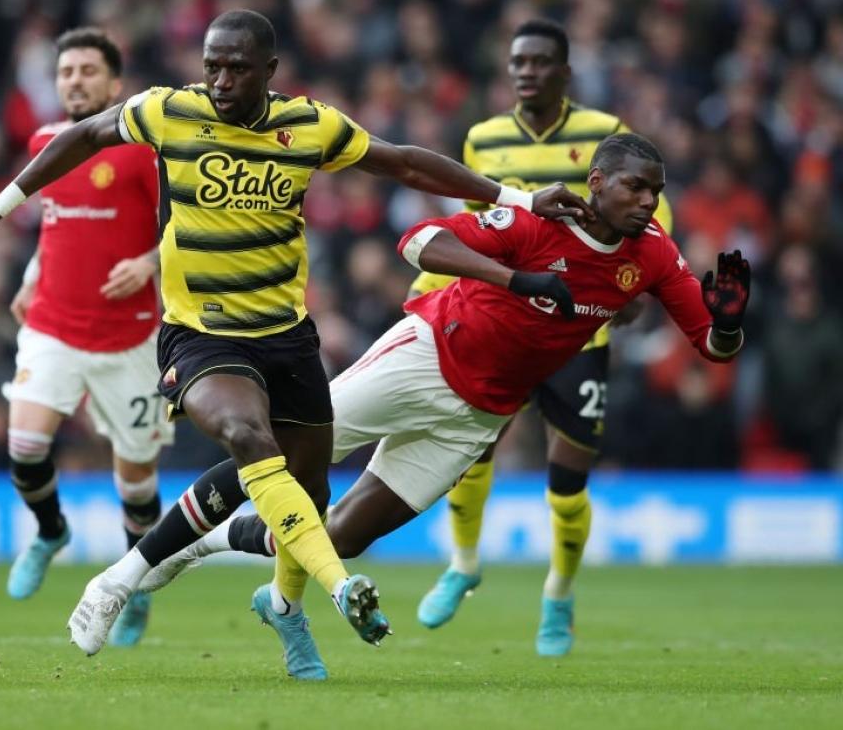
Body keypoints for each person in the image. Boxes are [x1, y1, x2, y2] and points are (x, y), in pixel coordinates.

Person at [0, 10, 588, 679]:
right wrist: (2, 205)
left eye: (236, 67)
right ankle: (334, 591)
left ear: (269, 71)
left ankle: (155, 585)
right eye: (211, 64)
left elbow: (405, 164)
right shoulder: (169, 112)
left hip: (286, 336)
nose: (218, 79)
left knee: (308, 495)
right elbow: (89, 134)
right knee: (247, 436)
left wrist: (521, 200)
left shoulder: (309, 125)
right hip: (199, 333)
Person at [138, 134, 750, 669]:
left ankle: (214, 544)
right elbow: (416, 240)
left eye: (656, 191)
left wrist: (727, 323)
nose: (648, 202)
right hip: (423, 356)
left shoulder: (653, 254)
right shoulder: (537, 221)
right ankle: (163, 552)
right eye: (636, 188)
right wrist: (513, 277)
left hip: (479, 414)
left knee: (345, 537)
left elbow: (713, 346)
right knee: (283, 454)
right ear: (597, 183)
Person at [406, 19, 676, 656]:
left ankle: (559, 593)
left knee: (568, 476)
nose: (525, 71)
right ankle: (464, 564)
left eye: (538, 61)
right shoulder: (484, 138)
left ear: (564, 71)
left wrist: (634, 289)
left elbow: (650, 219)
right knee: (472, 453)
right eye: (516, 62)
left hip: (580, 331)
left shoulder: (605, 134)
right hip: (506, 327)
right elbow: (481, 226)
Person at [0, 28, 172, 648]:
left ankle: (131, 590)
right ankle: (50, 533)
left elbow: (182, 225)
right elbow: (53, 224)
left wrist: (151, 262)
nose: (74, 80)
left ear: (114, 83)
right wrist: (31, 274)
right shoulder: (44, 143)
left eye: (87, 70)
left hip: (129, 341)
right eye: (66, 71)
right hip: (52, 326)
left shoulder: (143, 150)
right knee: (23, 445)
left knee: (136, 483)